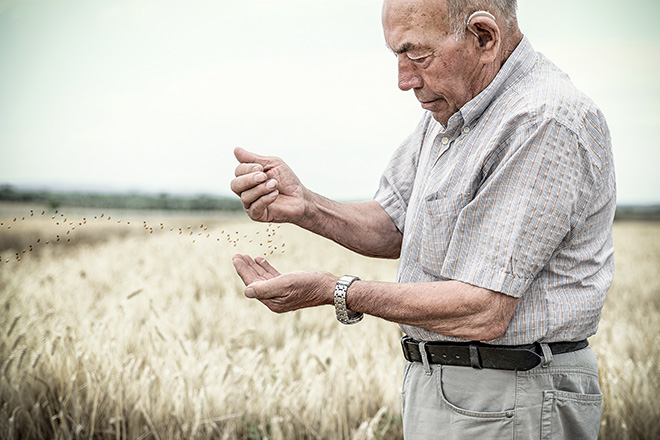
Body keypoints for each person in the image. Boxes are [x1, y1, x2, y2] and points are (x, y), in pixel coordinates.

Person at [230, 0, 615, 438]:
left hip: (513, 394)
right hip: (448, 385)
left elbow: (484, 309)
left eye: (417, 55)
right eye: (396, 55)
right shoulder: (454, 109)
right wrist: (307, 207)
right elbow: (396, 223)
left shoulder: (543, 120)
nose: (403, 80)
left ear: (484, 37)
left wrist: (334, 290)